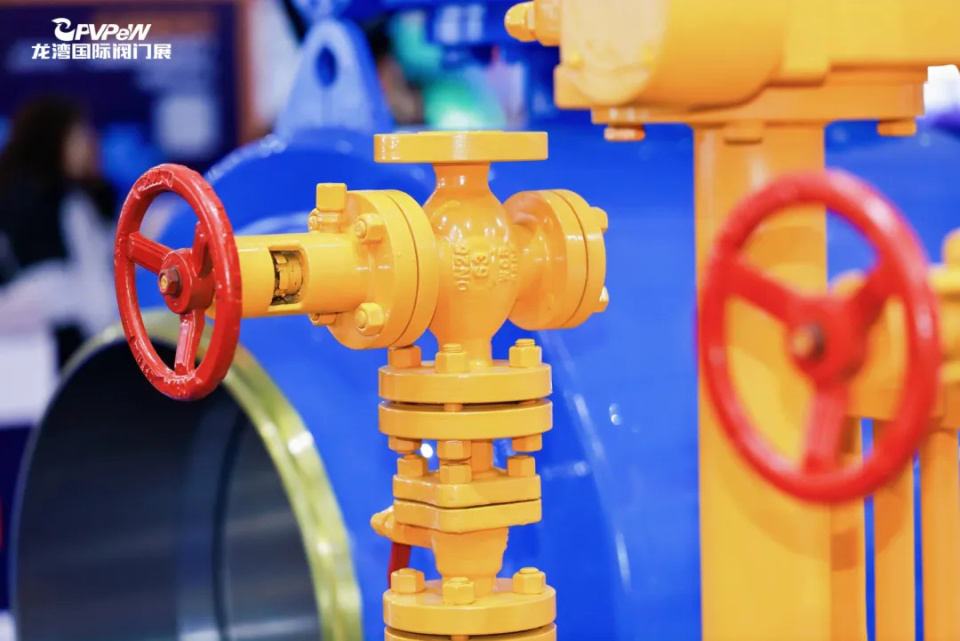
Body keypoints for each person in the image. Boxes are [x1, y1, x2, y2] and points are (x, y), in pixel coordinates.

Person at [0, 99, 117, 374]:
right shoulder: (70, 202)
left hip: (23, 349)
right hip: (69, 342)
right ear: (53, 141)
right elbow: (94, 287)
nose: (88, 147)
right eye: (78, 137)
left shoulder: (10, 194)